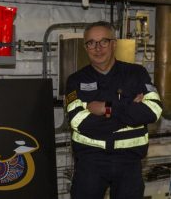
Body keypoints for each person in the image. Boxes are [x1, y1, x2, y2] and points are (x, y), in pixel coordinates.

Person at [65, 21, 162, 199]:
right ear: (85, 47)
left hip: (129, 163)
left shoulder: (136, 73)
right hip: (90, 164)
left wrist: (105, 108)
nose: (97, 48)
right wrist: (130, 107)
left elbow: (152, 110)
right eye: (91, 43)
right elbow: (80, 121)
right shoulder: (75, 80)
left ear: (114, 44)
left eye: (104, 41)